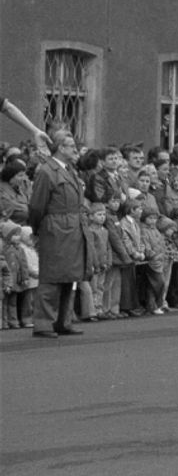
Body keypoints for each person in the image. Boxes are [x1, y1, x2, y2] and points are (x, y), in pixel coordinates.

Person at [28, 130, 88, 339]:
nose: (75, 150)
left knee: (69, 278)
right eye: (71, 146)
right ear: (60, 148)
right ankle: (43, 323)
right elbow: (36, 206)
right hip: (55, 228)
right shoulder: (47, 171)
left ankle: (63, 321)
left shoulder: (69, 169)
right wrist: (38, 230)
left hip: (72, 228)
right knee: (51, 278)